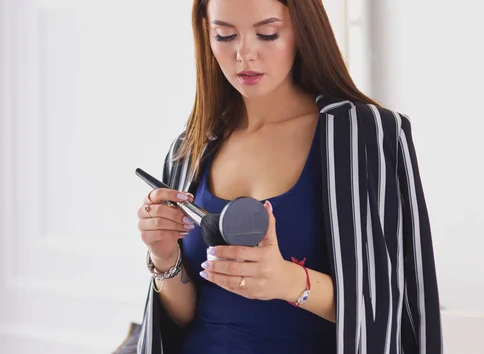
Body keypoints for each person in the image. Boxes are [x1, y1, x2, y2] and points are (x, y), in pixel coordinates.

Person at [132, 0, 442, 353]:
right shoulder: (190, 148)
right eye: (225, 35)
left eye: (267, 33)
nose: (243, 54)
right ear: (207, 33)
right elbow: (181, 319)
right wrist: (164, 255)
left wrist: (287, 281)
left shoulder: (363, 135)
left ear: (302, 31)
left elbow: (391, 310)